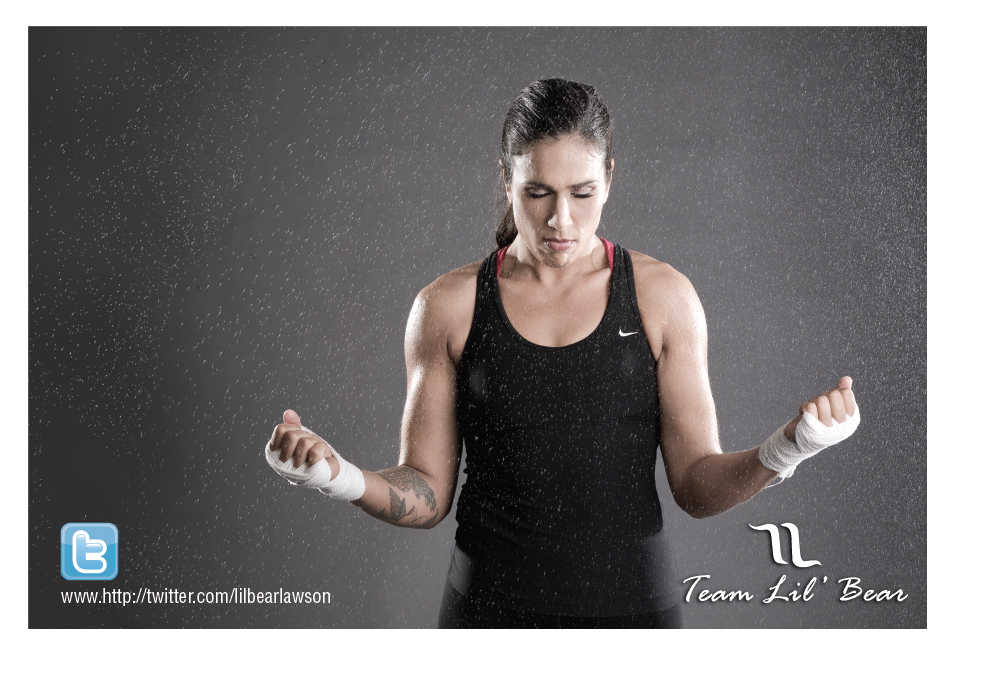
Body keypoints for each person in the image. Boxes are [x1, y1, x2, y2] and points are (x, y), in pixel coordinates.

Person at [263, 78, 860, 628]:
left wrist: (789, 447)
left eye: (583, 192)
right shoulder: (447, 306)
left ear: (609, 179)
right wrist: (339, 477)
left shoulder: (662, 297)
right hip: (487, 617)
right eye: (538, 192)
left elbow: (696, 488)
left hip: (634, 618)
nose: (560, 219)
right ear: (506, 179)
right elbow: (427, 492)